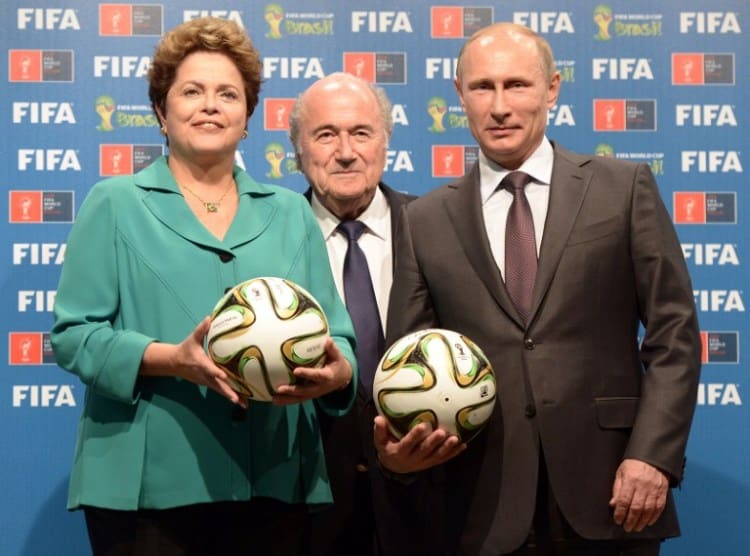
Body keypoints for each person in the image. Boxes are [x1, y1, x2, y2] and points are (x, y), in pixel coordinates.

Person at [375, 22, 701, 556]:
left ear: (551, 88)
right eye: (482, 88)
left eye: (516, 85)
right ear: (460, 96)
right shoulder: (424, 220)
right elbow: (409, 358)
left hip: (614, 494)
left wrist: (654, 456)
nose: (499, 106)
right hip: (479, 504)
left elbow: (675, 335)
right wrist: (402, 452)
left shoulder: (623, 187)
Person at [50, 17, 357, 556]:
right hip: (147, 493)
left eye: (227, 94)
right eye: (191, 91)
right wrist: (172, 358)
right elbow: (74, 336)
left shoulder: (290, 212)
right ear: (161, 113)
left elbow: (341, 338)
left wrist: (336, 373)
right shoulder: (115, 203)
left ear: (246, 119)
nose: (210, 105)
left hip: (276, 482)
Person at [288, 73, 423, 556]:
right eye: (326, 135)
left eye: (361, 133)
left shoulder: (439, 227)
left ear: (385, 143)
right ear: (298, 150)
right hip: (306, 501)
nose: (346, 151)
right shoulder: (270, 238)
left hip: (427, 498)